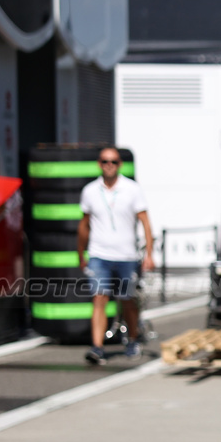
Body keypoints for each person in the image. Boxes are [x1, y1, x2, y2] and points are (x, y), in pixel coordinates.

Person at [78, 147, 154, 365]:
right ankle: (97, 347)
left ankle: (132, 339)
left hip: (126, 256)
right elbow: (83, 225)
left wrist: (149, 254)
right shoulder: (90, 191)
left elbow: (146, 223)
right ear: (99, 164)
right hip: (99, 254)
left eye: (113, 161)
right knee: (99, 298)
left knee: (126, 300)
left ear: (119, 164)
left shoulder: (132, 189)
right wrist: (80, 253)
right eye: (104, 161)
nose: (108, 165)